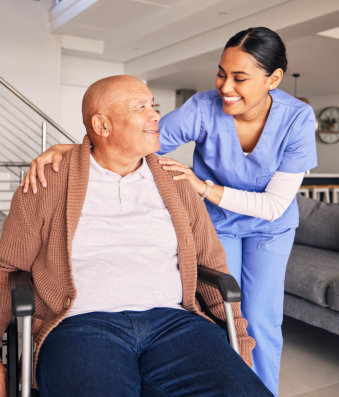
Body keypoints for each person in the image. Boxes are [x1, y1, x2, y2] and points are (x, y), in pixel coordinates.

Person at [19, 27, 317, 395]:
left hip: (267, 224)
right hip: (217, 221)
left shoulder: (298, 118)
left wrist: (202, 187)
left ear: (273, 79)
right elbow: (137, 140)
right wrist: (76, 148)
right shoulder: (203, 107)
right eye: (222, 73)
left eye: (240, 78)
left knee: (260, 320)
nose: (225, 86)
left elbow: (273, 205)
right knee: (221, 300)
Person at [0, 75, 273, 397]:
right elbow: (7, 269)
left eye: (153, 106)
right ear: (102, 126)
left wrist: (239, 340)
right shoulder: (47, 181)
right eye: (140, 107)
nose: (155, 114)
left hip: (176, 323)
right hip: (80, 325)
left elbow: (211, 264)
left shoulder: (177, 181)